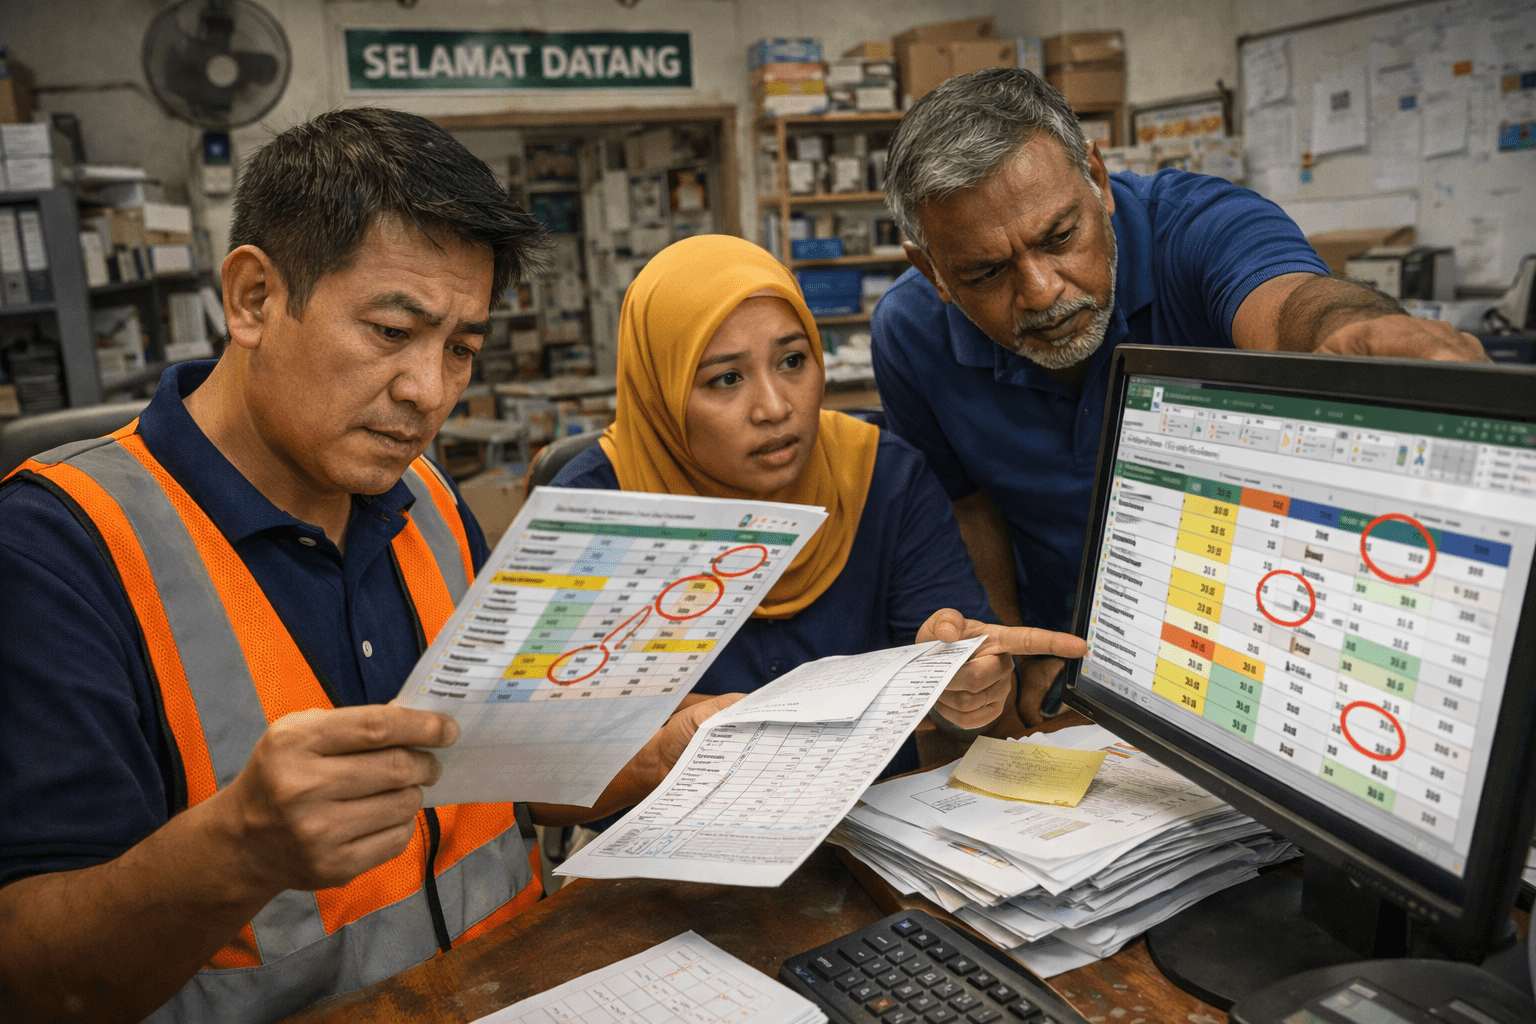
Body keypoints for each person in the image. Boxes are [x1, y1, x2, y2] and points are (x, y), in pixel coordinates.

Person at [0, 108, 738, 1024]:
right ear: (253, 299)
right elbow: (33, 983)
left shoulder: (426, 499)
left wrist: (646, 752)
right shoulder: (59, 552)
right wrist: (236, 850)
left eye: (461, 349)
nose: (429, 392)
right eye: (392, 331)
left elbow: (493, 788)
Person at [869, 67, 1490, 726]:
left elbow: (1288, 306)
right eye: (987, 272)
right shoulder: (910, 334)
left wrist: (1344, 329)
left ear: (1097, 178)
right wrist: (1016, 655)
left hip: (1263, 632)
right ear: (931, 270)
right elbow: (970, 507)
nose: (1043, 291)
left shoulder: (1200, 228)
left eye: (1060, 238)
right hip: (1076, 661)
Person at [550, 234, 1086, 774]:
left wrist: (964, 691)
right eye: (726, 378)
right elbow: (552, 754)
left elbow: (961, 695)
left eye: (792, 360)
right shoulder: (592, 509)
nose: (775, 407)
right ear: (659, 391)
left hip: (864, 811)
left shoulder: (880, 475)